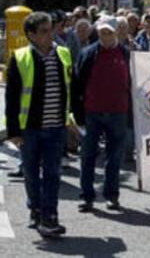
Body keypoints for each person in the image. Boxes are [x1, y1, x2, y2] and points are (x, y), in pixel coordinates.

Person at [5, 12, 72, 237]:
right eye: (43, 30)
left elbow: (71, 86)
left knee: (53, 173)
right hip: (30, 128)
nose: (49, 34)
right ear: (31, 35)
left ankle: (49, 217)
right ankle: (35, 208)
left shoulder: (63, 53)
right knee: (32, 174)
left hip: (55, 127)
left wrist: (73, 119)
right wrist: (13, 132)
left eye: (50, 29)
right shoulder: (20, 57)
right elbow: (12, 97)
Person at [73, 16, 131, 213]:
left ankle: (112, 195)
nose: (105, 36)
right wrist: (78, 116)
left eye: (109, 33)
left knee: (114, 157)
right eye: (102, 33)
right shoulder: (87, 54)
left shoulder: (127, 54)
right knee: (88, 156)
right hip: (92, 113)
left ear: (116, 33)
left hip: (118, 113)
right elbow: (76, 84)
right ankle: (86, 197)